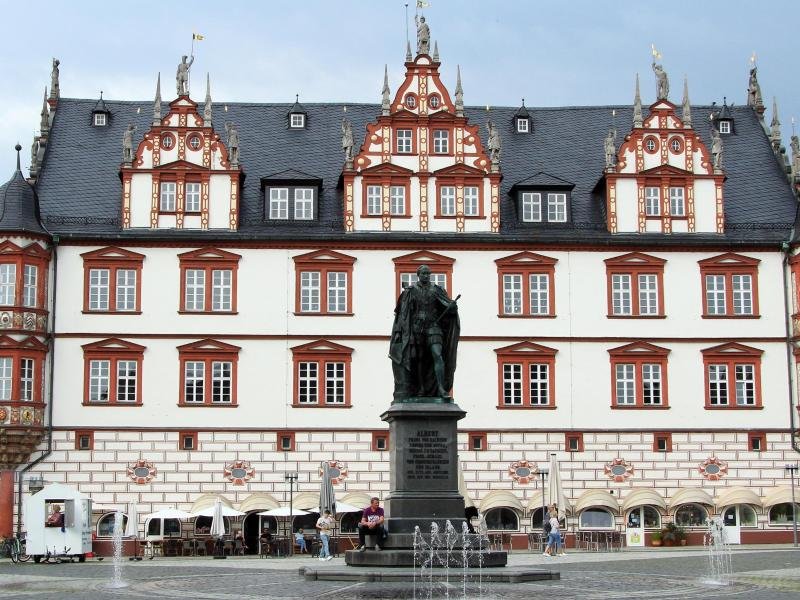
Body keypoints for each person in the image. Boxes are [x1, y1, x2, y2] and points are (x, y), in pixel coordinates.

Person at [389, 264, 460, 400]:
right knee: (419, 360)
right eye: (424, 273)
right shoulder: (410, 291)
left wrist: (452, 306)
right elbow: (402, 315)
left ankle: (441, 388)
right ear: (418, 275)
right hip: (416, 329)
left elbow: (448, 307)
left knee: (437, 355)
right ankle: (421, 387)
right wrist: (399, 332)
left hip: (434, 327)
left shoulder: (437, 290)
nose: (426, 276)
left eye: (428, 273)